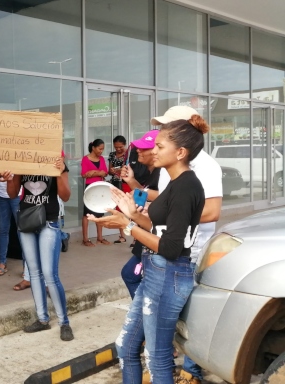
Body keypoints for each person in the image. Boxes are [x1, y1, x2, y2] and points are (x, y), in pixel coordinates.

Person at [88, 115, 209, 384]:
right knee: (127, 348)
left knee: (157, 358)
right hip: (155, 274)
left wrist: (128, 228)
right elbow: (157, 226)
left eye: (160, 146)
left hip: (168, 275)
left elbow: (170, 247)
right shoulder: (174, 183)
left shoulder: (187, 186)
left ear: (180, 152)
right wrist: (130, 215)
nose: (153, 150)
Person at [151, 106, 223, 384]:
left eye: (164, 132)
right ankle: (166, 362)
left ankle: (191, 370)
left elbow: (212, 210)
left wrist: (173, 218)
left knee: (191, 314)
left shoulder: (205, 166)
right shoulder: (169, 165)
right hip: (168, 246)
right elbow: (170, 200)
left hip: (192, 251)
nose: (158, 141)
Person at [2, 157, 74, 341]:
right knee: (33, 272)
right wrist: (10, 177)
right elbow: (12, 194)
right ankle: (42, 319)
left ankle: (64, 322)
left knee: (50, 274)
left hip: (49, 222)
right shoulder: (22, 162)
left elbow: (66, 196)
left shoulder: (57, 163)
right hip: (27, 222)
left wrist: (58, 172)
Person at [117, 130, 160, 299]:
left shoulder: (163, 174)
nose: (138, 151)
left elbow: (161, 195)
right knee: (131, 275)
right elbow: (145, 194)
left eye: (144, 148)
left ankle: (145, 314)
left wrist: (128, 221)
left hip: (157, 239)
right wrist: (131, 181)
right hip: (148, 236)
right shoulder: (153, 173)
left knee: (131, 275)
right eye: (139, 148)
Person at [81, 139, 109, 246]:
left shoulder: (101, 159)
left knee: (99, 213)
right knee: (86, 214)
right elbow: (84, 174)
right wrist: (98, 173)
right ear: (93, 148)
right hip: (90, 188)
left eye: (102, 149)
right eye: (100, 149)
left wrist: (93, 172)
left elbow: (105, 172)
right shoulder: (85, 159)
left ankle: (100, 237)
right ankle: (85, 239)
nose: (101, 151)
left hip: (100, 188)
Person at [0, 174, 20, 277]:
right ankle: (2, 263)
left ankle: (27, 266)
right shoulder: (0, 158)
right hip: (1, 196)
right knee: (2, 230)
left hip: (17, 195)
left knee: (22, 231)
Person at [108, 135, 129, 243]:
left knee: (131, 209)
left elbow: (129, 169)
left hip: (126, 183)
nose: (118, 149)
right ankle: (122, 236)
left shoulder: (128, 154)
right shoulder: (112, 155)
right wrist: (115, 170)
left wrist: (120, 170)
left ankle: (135, 238)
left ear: (124, 145)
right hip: (115, 184)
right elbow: (109, 170)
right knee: (118, 209)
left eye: (120, 147)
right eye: (116, 147)